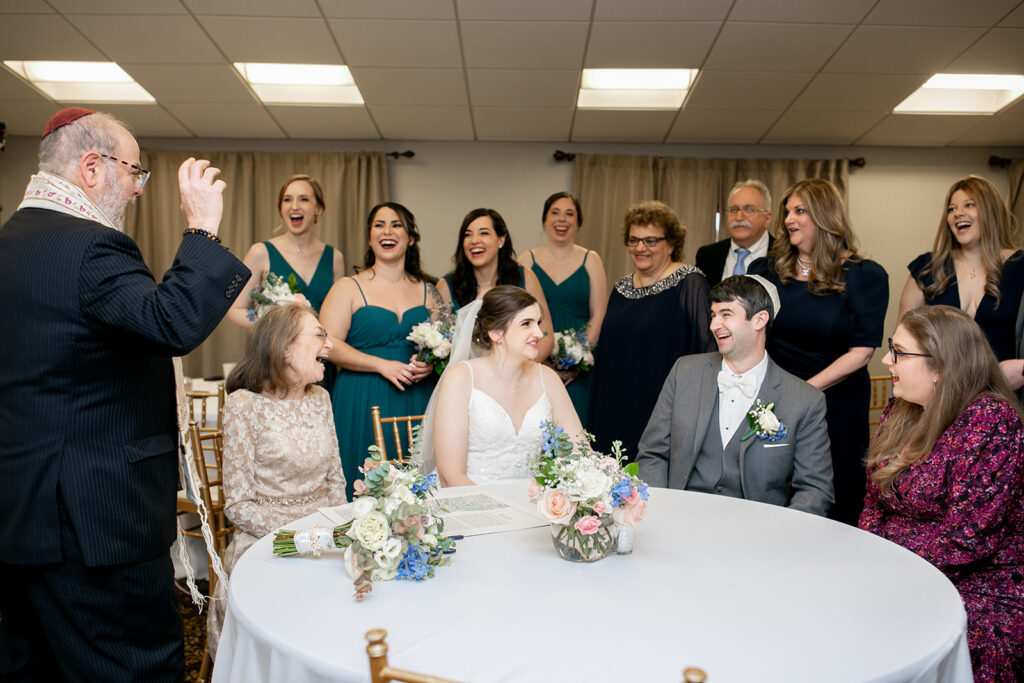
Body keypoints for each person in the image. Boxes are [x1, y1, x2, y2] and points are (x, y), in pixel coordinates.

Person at [0, 108, 249, 681]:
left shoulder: (11, 243)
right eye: (135, 172)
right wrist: (202, 229)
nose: (138, 189)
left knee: (34, 667)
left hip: (23, 517)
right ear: (92, 166)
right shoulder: (93, 247)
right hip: (95, 522)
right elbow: (170, 322)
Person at [860, 305, 1024, 681]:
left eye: (899, 352)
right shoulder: (901, 408)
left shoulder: (992, 422)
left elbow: (968, 538)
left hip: (980, 585)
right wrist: (870, 558)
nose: (886, 360)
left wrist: (893, 573)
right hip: (895, 568)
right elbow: (874, 497)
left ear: (940, 365)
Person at [207, 301, 347, 657]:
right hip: (268, 542)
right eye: (319, 335)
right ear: (285, 348)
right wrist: (300, 536)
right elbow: (238, 505)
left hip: (325, 537)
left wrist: (336, 533)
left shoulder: (321, 398)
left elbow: (336, 481)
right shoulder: (244, 405)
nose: (330, 345)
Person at [747, 178, 887, 526]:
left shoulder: (864, 276)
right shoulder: (765, 271)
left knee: (835, 501)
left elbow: (861, 352)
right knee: (764, 493)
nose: (788, 219)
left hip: (835, 405)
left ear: (825, 216)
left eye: (800, 211)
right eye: (787, 212)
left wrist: (802, 393)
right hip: (771, 402)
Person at [637, 276, 833, 515]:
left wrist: (779, 532)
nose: (714, 325)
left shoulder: (804, 400)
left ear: (759, 320)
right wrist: (660, 513)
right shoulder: (684, 372)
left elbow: (815, 489)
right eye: (713, 315)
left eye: (726, 314)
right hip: (678, 518)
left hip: (757, 530)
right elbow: (652, 454)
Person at [320, 202, 438, 498]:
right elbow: (327, 344)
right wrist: (381, 365)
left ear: (411, 238)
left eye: (396, 225)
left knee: (416, 485)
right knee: (361, 481)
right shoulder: (347, 287)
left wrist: (431, 362)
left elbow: (444, 343)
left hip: (417, 396)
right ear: (369, 238)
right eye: (379, 225)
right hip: (362, 396)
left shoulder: (430, 291)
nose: (387, 231)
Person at [587, 200, 715, 459]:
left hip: (660, 408)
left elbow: (707, 353)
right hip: (612, 405)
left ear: (671, 244)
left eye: (650, 241)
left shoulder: (690, 283)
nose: (640, 248)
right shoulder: (621, 288)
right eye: (633, 240)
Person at [433, 286, 584, 486]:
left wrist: (603, 476)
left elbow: (580, 451)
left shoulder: (548, 379)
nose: (539, 333)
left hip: (533, 499)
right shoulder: (460, 378)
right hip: (469, 496)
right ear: (496, 333)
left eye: (538, 323)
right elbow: (450, 474)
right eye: (526, 324)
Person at [898, 175, 1024, 389]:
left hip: (1000, 396)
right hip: (939, 396)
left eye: (969, 205)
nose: (958, 213)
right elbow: (902, 344)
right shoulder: (927, 268)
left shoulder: (1019, 267)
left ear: (991, 211)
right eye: (952, 209)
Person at [518, 192, 607, 424]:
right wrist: (544, 361)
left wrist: (577, 358)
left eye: (570, 214)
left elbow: (599, 314)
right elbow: (517, 314)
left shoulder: (591, 259)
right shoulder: (526, 260)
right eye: (555, 212)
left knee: (577, 426)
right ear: (544, 219)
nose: (562, 219)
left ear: (578, 222)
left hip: (579, 370)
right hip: (535, 358)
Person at [227, 174, 345, 327]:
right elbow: (235, 309)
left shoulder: (335, 258)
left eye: (303, 199)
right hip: (275, 342)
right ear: (281, 208)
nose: (294, 206)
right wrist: (271, 327)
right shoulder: (260, 252)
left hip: (320, 342)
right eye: (287, 199)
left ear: (318, 209)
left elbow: (339, 316)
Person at [437, 207, 554, 359]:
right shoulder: (446, 286)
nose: (474, 240)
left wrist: (522, 369)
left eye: (484, 233)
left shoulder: (524, 277)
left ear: (501, 239)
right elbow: (438, 342)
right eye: (467, 235)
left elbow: (546, 337)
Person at [696, 179, 776, 287]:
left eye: (749, 209)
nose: (738, 217)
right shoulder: (707, 256)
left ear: (767, 218)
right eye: (734, 209)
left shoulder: (786, 257)